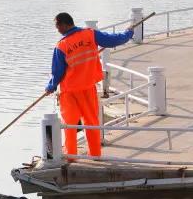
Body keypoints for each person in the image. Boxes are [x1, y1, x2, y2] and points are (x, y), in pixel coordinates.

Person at [45, 12, 134, 158]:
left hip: (70, 91)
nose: (57, 29)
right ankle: (95, 154)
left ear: (64, 24)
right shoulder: (90, 34)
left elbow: (57, 72)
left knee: (69, 125)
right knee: (91, 122)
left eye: (57, 26)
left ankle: (71, 156)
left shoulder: (61, 46)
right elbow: (114, 40)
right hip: (88, 88)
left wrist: (51, 86)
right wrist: (128, 33)